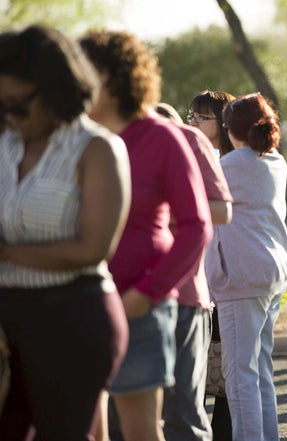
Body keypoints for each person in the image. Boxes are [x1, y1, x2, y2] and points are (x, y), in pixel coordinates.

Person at [80, 30, 213, 441]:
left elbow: (197, 226)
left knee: (141, 432)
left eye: (84, 73)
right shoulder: (72, 138)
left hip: (140, 307)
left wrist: (146, 294)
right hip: (75, 304)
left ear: (116, 77)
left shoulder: (163, 137)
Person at [0, 25, 130, 440]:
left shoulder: (96, 148)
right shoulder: (4, 143)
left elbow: (92, 248)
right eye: (1, 105)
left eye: (19, 104)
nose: (10, 116)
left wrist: (5, 252)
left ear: (57, 88)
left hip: (71, 318)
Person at [204, 93, 287, 441]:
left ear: (231, 129)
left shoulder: (230, 165)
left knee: (239, 374)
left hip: (242, 276)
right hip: (272, 272)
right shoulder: (275, 160)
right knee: (260, 371)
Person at [155, 102, 233, 441]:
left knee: (184, 405)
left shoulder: (197, 149)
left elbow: (215, 217)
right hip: (130, 295)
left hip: (187, 292)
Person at [185, 89, 236, 438]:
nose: (193, 122)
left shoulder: (238, 162)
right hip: (193, 270)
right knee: (193, 371)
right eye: (190, 116)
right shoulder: (183, 153)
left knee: (226, 369)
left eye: (201, 117)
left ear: (222, 122)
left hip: (227, 273)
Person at [188, 90, 235, 156]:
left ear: (223, 120)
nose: (192, 123)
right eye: (192, 117)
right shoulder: (191, 157)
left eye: (201, 117)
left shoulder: (237, 161)